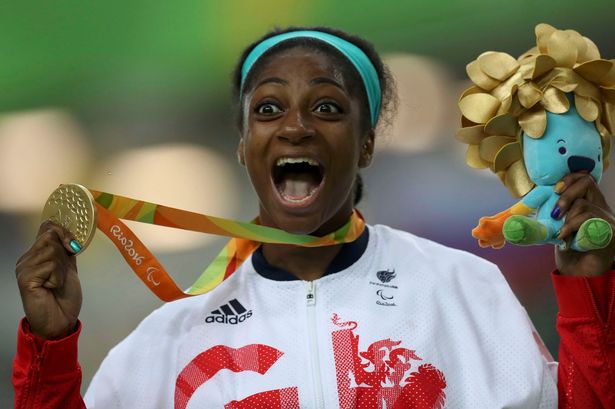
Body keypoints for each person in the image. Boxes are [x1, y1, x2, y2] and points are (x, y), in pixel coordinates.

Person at [12, 26, 615, 409]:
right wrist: (49, 350)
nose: (296, 126)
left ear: (367, 144)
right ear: (243, 144)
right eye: (269, 108)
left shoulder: (463, 288)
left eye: (327, 107)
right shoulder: (167, 340)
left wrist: (590, 294)